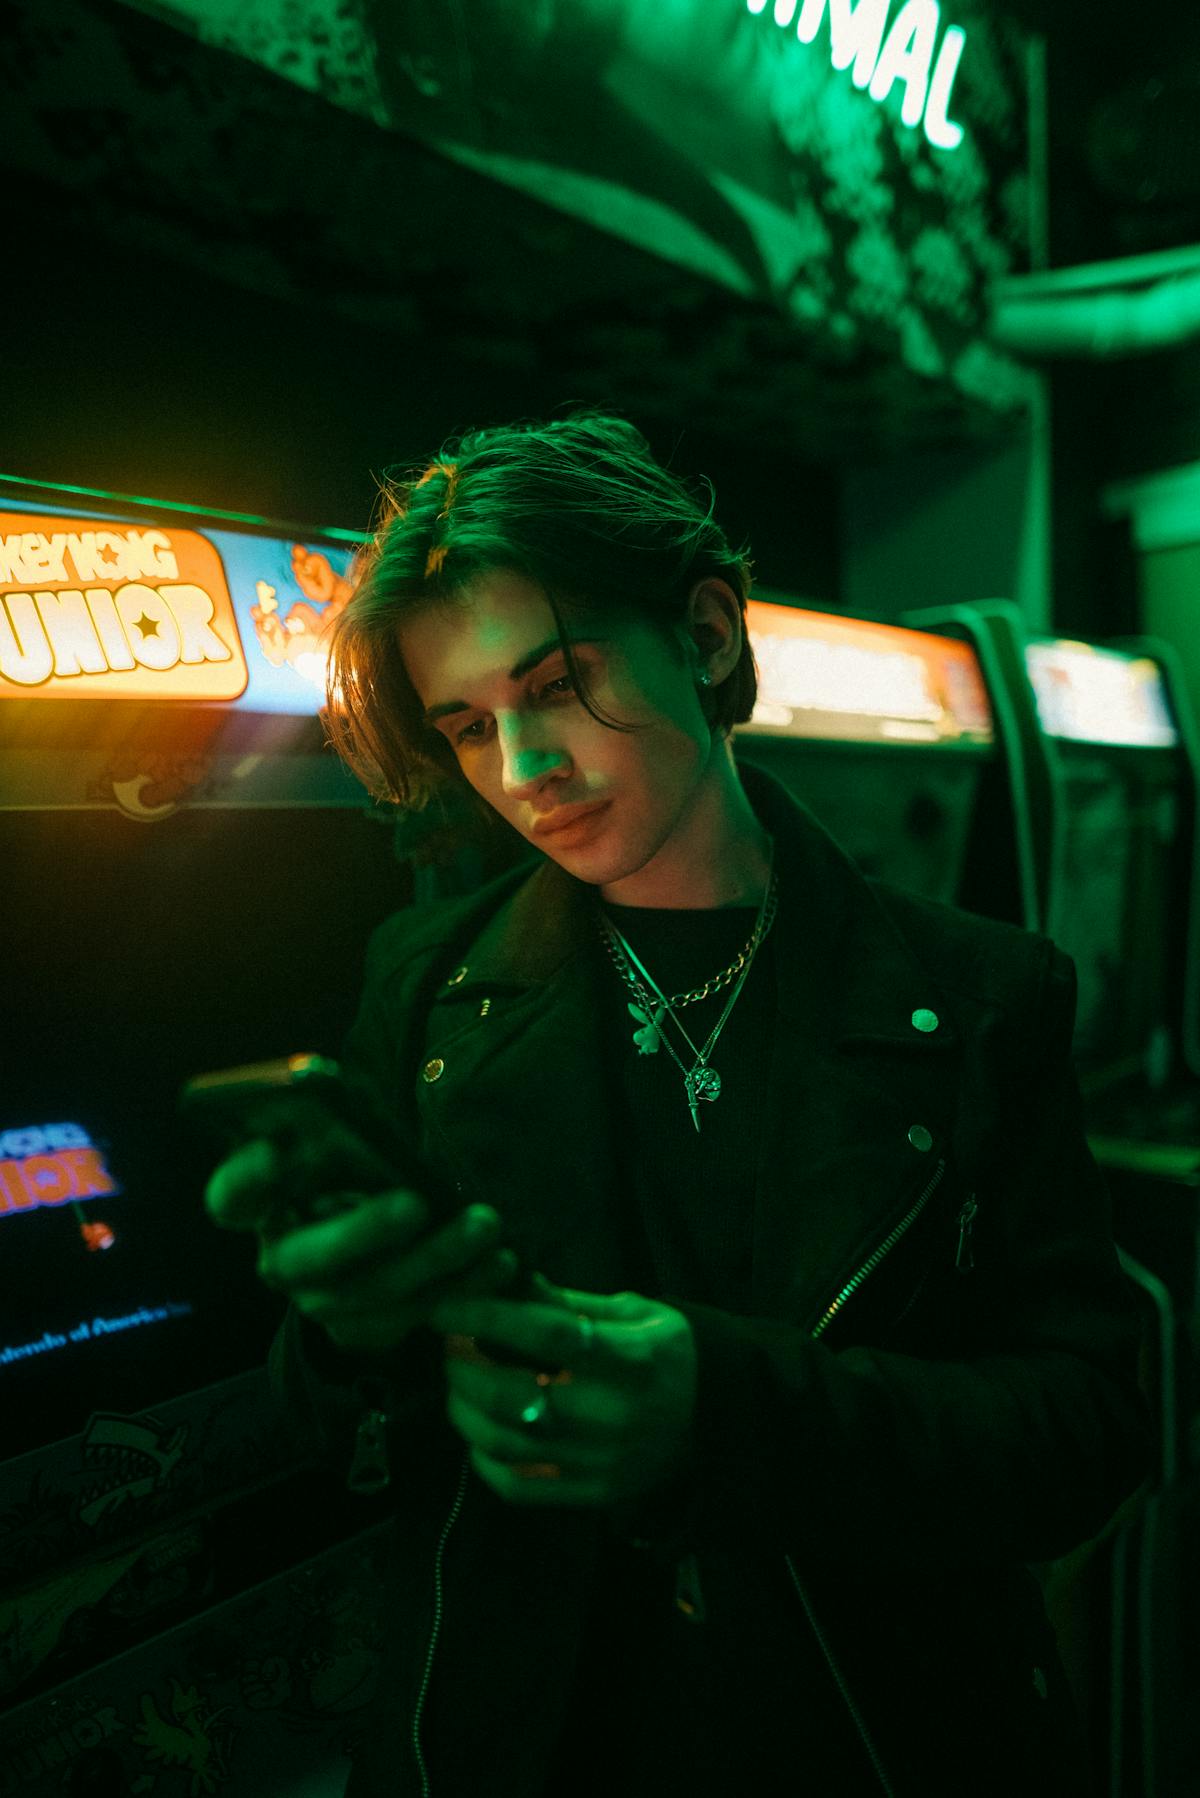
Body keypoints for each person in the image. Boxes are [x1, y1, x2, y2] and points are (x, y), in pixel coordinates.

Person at [205, 410, 1151, 1798]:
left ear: (707, 633)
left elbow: (1086, 1430)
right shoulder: (427, 986)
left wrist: (724, 1411)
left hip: (877, 1732)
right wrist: (351, 1336)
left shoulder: (983, 992)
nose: (523, 773)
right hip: (534, 1739)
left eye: (562, 682)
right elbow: (325, 1434)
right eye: (471, 725)